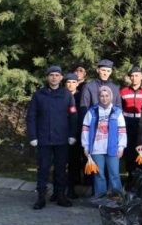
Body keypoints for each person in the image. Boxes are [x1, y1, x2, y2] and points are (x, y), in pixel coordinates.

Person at [26, 66, 78, 209]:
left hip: (62, 139)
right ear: (47, 77)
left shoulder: (67, 94)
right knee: (43, 169)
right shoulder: (39, 95)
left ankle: (60, 195)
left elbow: (73, 116)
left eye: (57, 75)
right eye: (51, 75)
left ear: (61, 78)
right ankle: (41, 197)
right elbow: (31, 117)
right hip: (43, 139)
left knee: (61, 169)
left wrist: (73, 134)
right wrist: (32, 136)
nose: (54, 77)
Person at [81, 86, 127, 196]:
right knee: (99, 175)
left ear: (111, 96)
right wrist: (86, 146)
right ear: (98, 97)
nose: (104, 98)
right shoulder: (92, 112)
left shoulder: (117, 112)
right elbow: (85, 130)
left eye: (107, 96)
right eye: (102, 96)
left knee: (114, 174)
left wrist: (121, 147)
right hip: (96, 149)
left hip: (112, 149)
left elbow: (122, 131)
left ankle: (117, 198)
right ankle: (100, 198)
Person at [119, 65, 142, 183]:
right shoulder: (123, 91)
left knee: (141, 150)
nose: (134, 78)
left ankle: (141, 176)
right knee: (129, 152)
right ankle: (130, 176)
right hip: (127, 124)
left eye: (136, 76)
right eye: (132, 76)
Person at [64, 73, 83, 199]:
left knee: (74, 162)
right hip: (61, 133)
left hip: (77, 133)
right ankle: (58, 190)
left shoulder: (81, 97)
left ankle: (71, 188)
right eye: (68, 82)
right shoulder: (60, 96)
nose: (71, 85)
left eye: (73, 82)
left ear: (77, 83)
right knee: (60, 163)